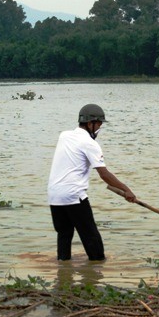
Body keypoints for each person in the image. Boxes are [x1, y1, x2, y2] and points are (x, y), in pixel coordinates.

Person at [47, 103, 136, 261]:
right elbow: (104, 174)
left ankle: (63, 270)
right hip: (74, 195)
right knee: (91, 237)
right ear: (90, 123)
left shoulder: (64, 135)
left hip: (54, 195)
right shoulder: (90, 144)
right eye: (99, 125)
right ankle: (97, 268)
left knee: (64, 234)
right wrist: (126, 190)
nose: (99, 129)